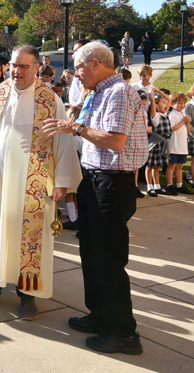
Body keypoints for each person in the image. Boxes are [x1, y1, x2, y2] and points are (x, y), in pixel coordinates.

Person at [43, 41, 146, 355]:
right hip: (95, 180)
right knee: (91, 254)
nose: (75, 74)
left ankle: (123, 333)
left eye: (79, 67)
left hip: (112, 186)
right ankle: (100, 315)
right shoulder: (99, 92)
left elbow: (115, 141)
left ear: (97, 63)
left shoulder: (119, 93)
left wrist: (75, 128)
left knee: (109, 260)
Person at [0, 45, 81, 321]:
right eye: (13, 65)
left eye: (23, 66)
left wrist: (63, 181)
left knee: (29, 238)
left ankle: (27, 294)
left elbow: (63, 141)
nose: (16, 71)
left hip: (35, 185)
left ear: (37, 68)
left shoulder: (50, 100)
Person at [163, 92, 194, 196]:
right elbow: (171, 129)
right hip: (174, 145)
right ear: (172, 104)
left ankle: (179, 185)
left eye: (184, 102)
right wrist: (182, 121)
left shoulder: (183, 115)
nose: (182, 105)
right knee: (172, 165)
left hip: (182, 145)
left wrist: (187, 122)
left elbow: (188, 130)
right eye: (179, 103)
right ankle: (169, 185)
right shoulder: (172, 115)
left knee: (180, 166)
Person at [145, 92, 171, 197]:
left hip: (163, 144)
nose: (166, 104)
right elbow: (152, 101)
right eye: (163, 102)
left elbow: (169, 99)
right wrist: (152, 96)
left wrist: (159, 91)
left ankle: (157, 186)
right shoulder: (156, 117)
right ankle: (149, 186)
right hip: (155, 144)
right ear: (156, 105)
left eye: (166, 103)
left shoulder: (165, 114)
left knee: (157, 166)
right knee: (150, 166)